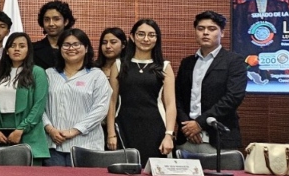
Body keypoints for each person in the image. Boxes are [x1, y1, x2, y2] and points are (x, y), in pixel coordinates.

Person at [175, 11, 248, 152]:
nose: (205, 33)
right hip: (187, 138)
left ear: (222, 33)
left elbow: (233, 97)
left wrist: (199, 124)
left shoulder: (234, 61)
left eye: (212, 29)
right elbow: (177, 98)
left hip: (219, 139)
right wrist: (187, 127)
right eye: (200, 29)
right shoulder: (187, 63)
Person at [106, 19, 177, 164]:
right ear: (132, 37)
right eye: (141, 34)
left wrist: (169, 135)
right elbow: (112, 102)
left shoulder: (164, 66)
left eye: (151, 35)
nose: (146, 39)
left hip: (155, 127)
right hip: (124, 126)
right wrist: (111, 133)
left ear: (157, 39)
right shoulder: (119, 65)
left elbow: (170, 105)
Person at [42, 28, 111, 166]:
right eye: (66, 45)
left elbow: (101, 109)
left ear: (86, 49)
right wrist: (50, 129)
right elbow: (39, 106)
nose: (71, 48)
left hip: (87, 147)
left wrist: (73, 131)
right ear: (60, 49)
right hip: (53, 145)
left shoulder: (96, 75)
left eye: (76, 44)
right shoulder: (49, 74)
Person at [0, 32, 50, 163]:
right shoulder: (1, 73)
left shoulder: (37, 72)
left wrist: (21, 129)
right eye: (12, 46)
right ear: (7, 51)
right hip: (2, 137)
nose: (16, 49)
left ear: (28, 50)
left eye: (22, 46)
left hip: (29, 135)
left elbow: (38, 106)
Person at [32, 0, 75, 70]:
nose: (51, 24)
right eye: (47, 19)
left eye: (56, 19)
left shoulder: (76, 48)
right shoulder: (32, 49)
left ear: (66, 21)